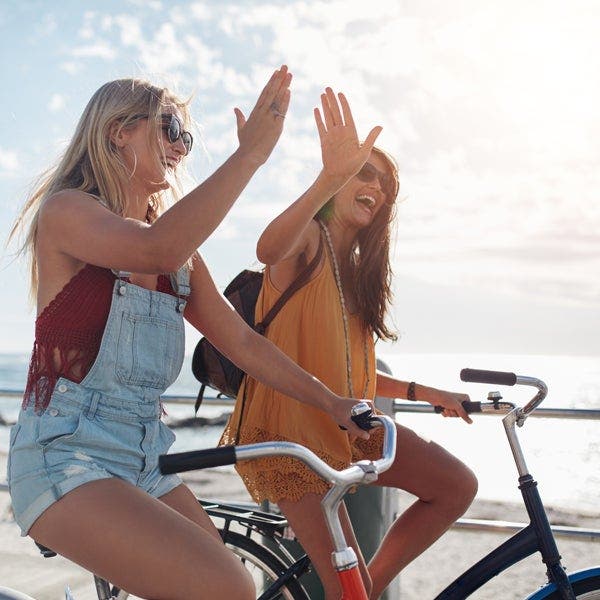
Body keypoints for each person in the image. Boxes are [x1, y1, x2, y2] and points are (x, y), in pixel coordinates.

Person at [6, 68, 371, 600]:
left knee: (232, 588)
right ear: (118, 132)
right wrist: (250, 157)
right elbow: (157, 249)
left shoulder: (178, 254)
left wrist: (334, 402)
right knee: (227, 588)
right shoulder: (68, 212)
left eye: (187, 136)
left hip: (146, 456)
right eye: (170, 128)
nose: (182, 146)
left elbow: (243, 344)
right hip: (64, 455)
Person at [220, 88, 479, 599]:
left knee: (456, 486)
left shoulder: (360, 273)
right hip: (291, 435)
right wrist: (329, 176)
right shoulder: (307, 244)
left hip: (349, 425)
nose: (376, 187)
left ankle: (364, 590)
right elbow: (267, 247)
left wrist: (428, 394)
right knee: (347, 589)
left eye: (383, 182)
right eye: (363, 173)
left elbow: (351, 378)